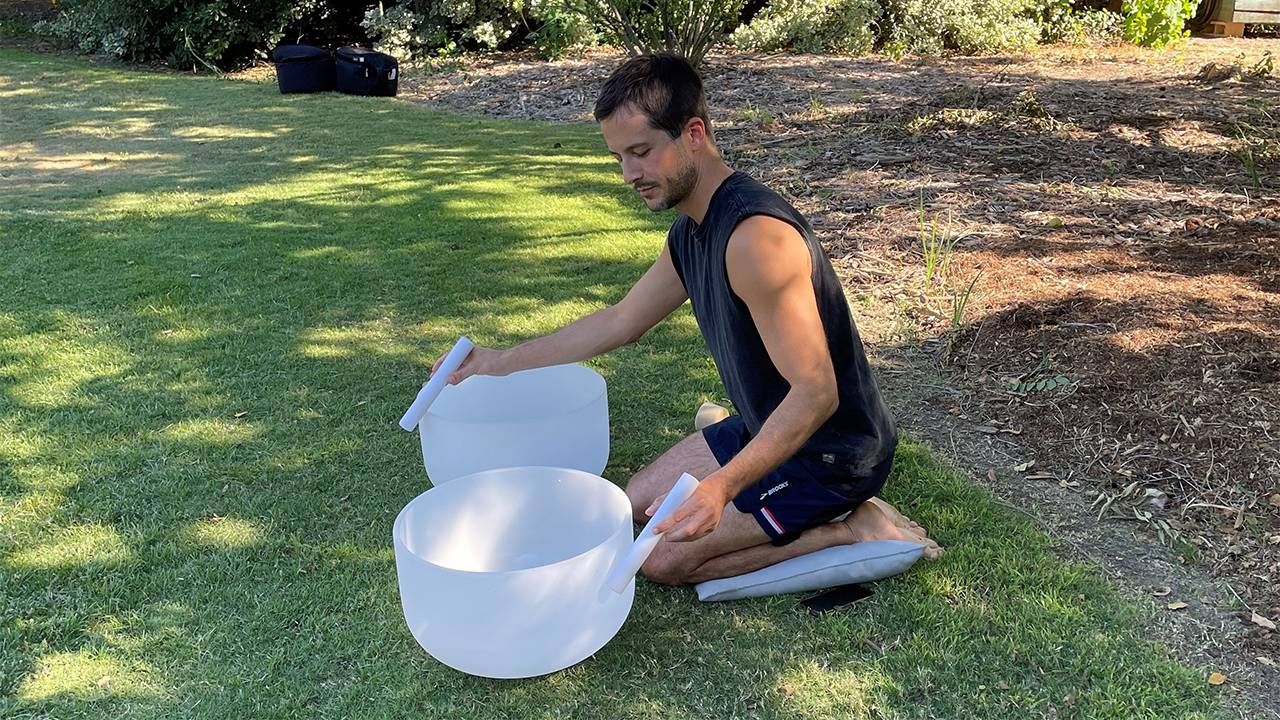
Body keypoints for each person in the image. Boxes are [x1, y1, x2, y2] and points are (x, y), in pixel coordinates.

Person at [431, 53, 941, 586]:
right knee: (634, 502)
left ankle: (854, 528)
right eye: (619, 157)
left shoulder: (755, 239)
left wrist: (720, 487)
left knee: (661, 560)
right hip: (764, 424)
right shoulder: (691, 231)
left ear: (693, 133)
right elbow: (621, 320)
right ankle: (753, 470)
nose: (630, 174)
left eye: (642, 152)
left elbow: (816, 394)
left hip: (832, 453)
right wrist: (495, 362)